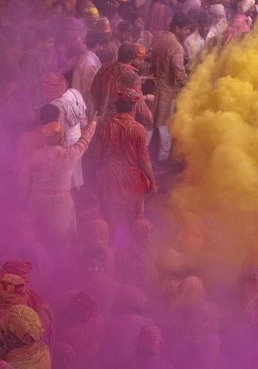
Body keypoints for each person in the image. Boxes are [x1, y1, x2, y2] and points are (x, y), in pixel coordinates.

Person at [20, 116, 98, 247]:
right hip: (62, 203)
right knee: (60, 242)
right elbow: (84, 141)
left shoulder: (33, 156)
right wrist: (93, 123)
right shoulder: (69, 154)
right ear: (62, 138)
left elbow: (23, 183)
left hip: (37, 201)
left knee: (38, 240)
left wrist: (21, 203)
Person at [90, 89, 156, 238]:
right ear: (133, 107)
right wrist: (152, 180)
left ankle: (111, 252)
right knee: (136, 221)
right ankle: (134, 251)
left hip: (110, 178)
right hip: (132, 179)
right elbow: (144, 159)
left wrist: (98, 177)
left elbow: (96, 156)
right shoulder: (138, 129)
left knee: (110, 221)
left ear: (117, 106)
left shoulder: (104, 126)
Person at [148, 14, 191, 162]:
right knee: (164, 123)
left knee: (150, 121)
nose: (187, 33)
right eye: (186, 30)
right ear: (177, 28)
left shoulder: (158, 36)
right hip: (166, 90)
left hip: (153, 85)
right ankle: (162, 157)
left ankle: (140, 155)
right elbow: (178, 71)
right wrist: (189, 85)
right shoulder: (176, 46)